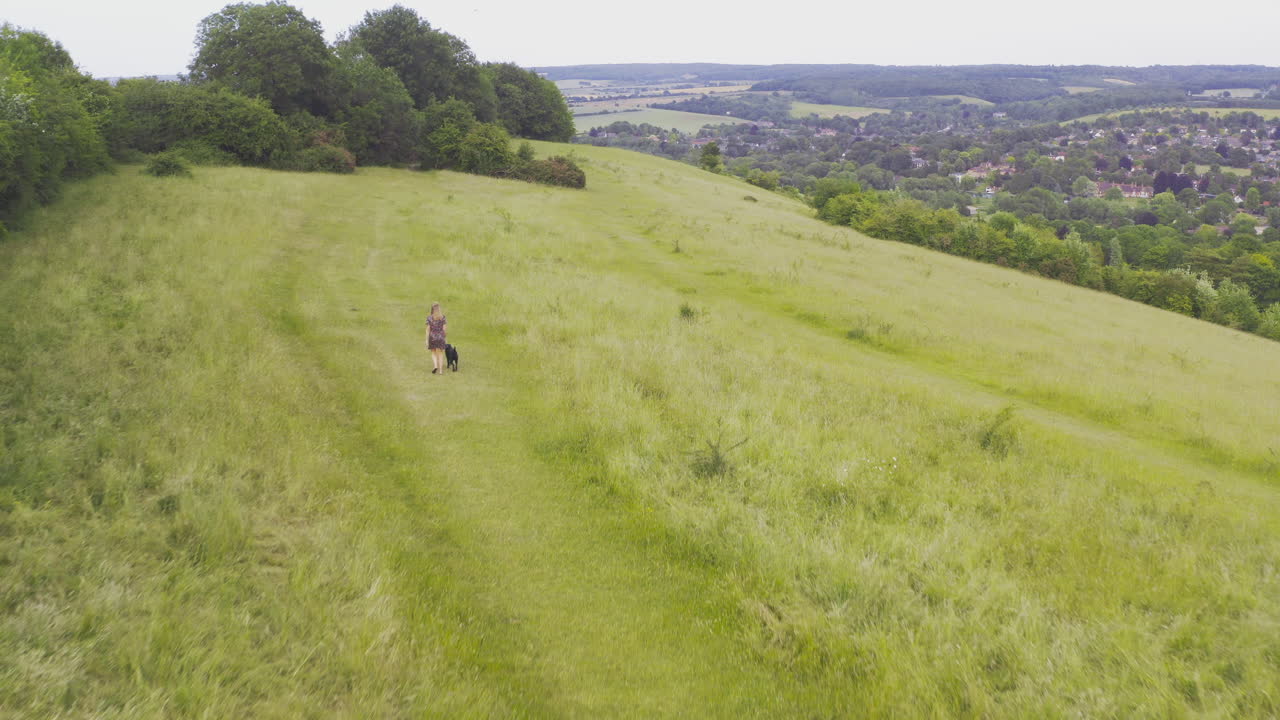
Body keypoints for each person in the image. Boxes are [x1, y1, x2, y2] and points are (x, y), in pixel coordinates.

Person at [425, 302, 448, 375]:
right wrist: (444, 337)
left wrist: (426, 339)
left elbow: (428, 329)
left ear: (432, 309)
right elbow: (444, 329)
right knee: (440, 354)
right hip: (441, 337)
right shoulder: (443, 317)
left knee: (433, 352)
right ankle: (441, 371)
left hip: (432, 337)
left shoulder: (429, 318)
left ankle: (435, 366)